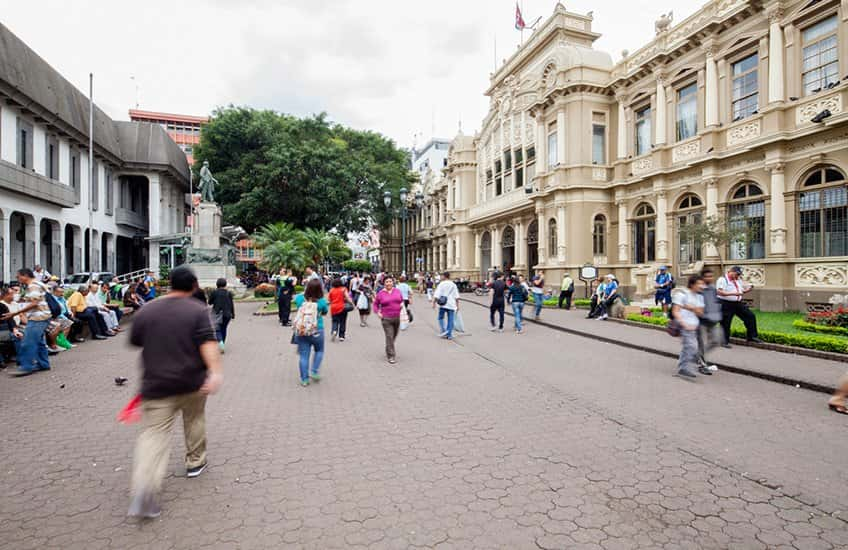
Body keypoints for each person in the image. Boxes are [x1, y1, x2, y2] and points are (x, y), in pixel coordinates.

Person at [127, 265, 222, 519]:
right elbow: (208, 343)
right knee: (194, 421)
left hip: (156, 384)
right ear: (193, 286)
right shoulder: (198, 311)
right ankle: (195, 462)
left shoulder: (148, 309)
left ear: (170, 284)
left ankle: (145, 491)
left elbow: (135, 340)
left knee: (154, 435)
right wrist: (214, 372)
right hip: (192, 382)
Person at [8, 269, 51, 376]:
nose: (17, 279)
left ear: (25, 276)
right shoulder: (38, 284)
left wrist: (15, 313)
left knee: (28, 342)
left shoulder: (33, 286)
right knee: (39, 342)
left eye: (18, 277)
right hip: (43, 316)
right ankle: (43, 364)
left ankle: (26, 367)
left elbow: (35, 303)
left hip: (38, 317)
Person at [293, 278, 329, 386]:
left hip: (303, 330)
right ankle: (314, 370)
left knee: (304, 356)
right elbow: (325, 312)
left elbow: (297, 304)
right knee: (319, 350)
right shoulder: (321, 301)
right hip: (317, 329)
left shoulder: (300, 298)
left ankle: (304, 379)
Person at [717, 266, 761, 346]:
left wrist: (748, 290)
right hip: (726, 303)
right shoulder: (723, 279)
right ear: (731, 271)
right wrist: (734, 294)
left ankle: (752, 336)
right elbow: (720, 292)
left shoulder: (737, 281)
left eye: (739, 275)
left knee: (750, 316)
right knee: (726, 322)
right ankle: (724, 341)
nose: (737, 276)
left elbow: (741, 291)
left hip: (737, 303)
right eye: (737, 274)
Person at [672, 275, 706, 379]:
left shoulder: (700, 297)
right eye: (699, 284)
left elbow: (701, 313)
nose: (702, 286)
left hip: (694, 326)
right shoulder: (682, 294)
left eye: (702, 283)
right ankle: (684, 368)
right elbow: (675, 311)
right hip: (685, 325)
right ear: (692, 284)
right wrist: (683, 323)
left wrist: (692, 308)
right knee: (692, 347)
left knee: (688, 347)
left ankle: (683, 367)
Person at [373, 276, 404, 363]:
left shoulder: (397, 291)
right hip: (386, 318)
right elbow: (375, 304)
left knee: (394, 336)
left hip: (397, 317)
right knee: (389, 336)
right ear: (384, 283)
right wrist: (378, 312)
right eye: (387, 282)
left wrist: (401, 305)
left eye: (390, 281)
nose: (389, 283)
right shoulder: (380, 294)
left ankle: (388, 347)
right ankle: (391, 356)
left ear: (393, 282)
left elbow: (401, 300)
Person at [697, 269, 722, 374]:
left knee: (716, 341)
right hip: (701, 321)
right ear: (702, 278)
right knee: (701, 343)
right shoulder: (698, 289)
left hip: (713, 320)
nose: (709, 278)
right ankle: (702, 365)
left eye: (711, 276)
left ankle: (696, 355)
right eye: (707, 276)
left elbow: (715, 302)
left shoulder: (713, 289)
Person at [208, 278, 235, 353]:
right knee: (224, 328)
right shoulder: (228, 293)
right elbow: (231, 304)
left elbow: (210, 302)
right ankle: (222, 343)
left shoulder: (214, 292)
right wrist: (233, 315)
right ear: (225, 284)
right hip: (227, 314)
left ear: (217, 284)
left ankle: (220, 342)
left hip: (218, 313)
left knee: (217, 329)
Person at [432, 271, 459, 340]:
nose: (441, 277)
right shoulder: (453, 284)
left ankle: (443, 331)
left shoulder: (441, 284)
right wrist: (457, 305)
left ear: (444, 276)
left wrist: (434, 303)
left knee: (440, 317)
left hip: (443, 304)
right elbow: (456, 296)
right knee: (451, 319)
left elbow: (437, 294)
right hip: (451, 304)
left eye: (442, 276)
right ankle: (449, 334)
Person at [328, 278, 354, 342]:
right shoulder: (343, 289)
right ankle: (341, 336)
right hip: (342, 307)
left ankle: (334, 331)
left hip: (334, 308)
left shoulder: (331, 290)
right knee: (343, 321)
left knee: (335, 321)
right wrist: (352, 303)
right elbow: (348, 297)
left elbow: (329, 300)